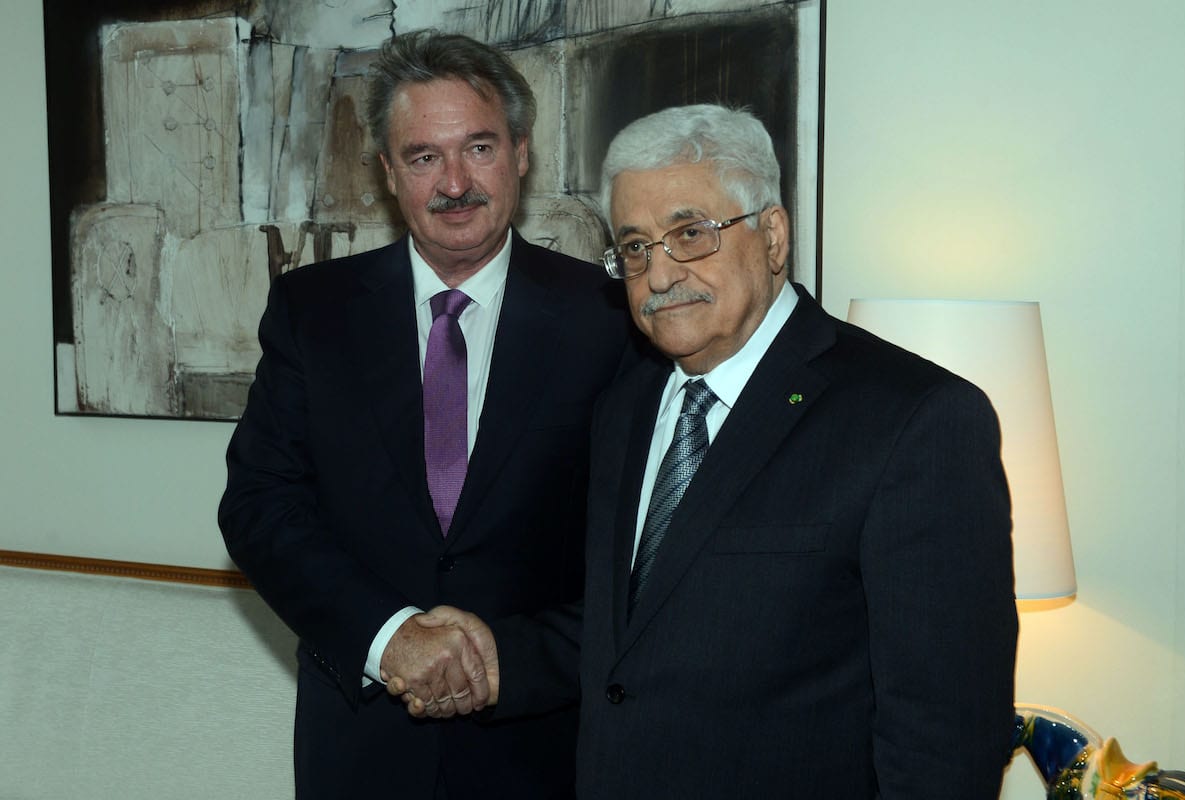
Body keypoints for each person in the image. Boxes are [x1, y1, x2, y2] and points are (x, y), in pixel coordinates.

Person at [397, 104, 1020, 798]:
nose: (658, 275)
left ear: (774, 236)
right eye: (634, 247)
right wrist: (495, 657)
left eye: (689, 233)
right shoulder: (627, 404)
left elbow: (947, 741)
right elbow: (637, 632)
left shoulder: (915, 421)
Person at [218, 29, 632, 799]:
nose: (454, 183)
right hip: (362, 746)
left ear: (520, 153)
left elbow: (637, 545)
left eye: (478, 148)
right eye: (423, 157)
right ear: (386, 172)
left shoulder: (608, 319)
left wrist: (512, 657)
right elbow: (259, 506)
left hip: (543, 745)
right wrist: (391, 637)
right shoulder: (315, 312)